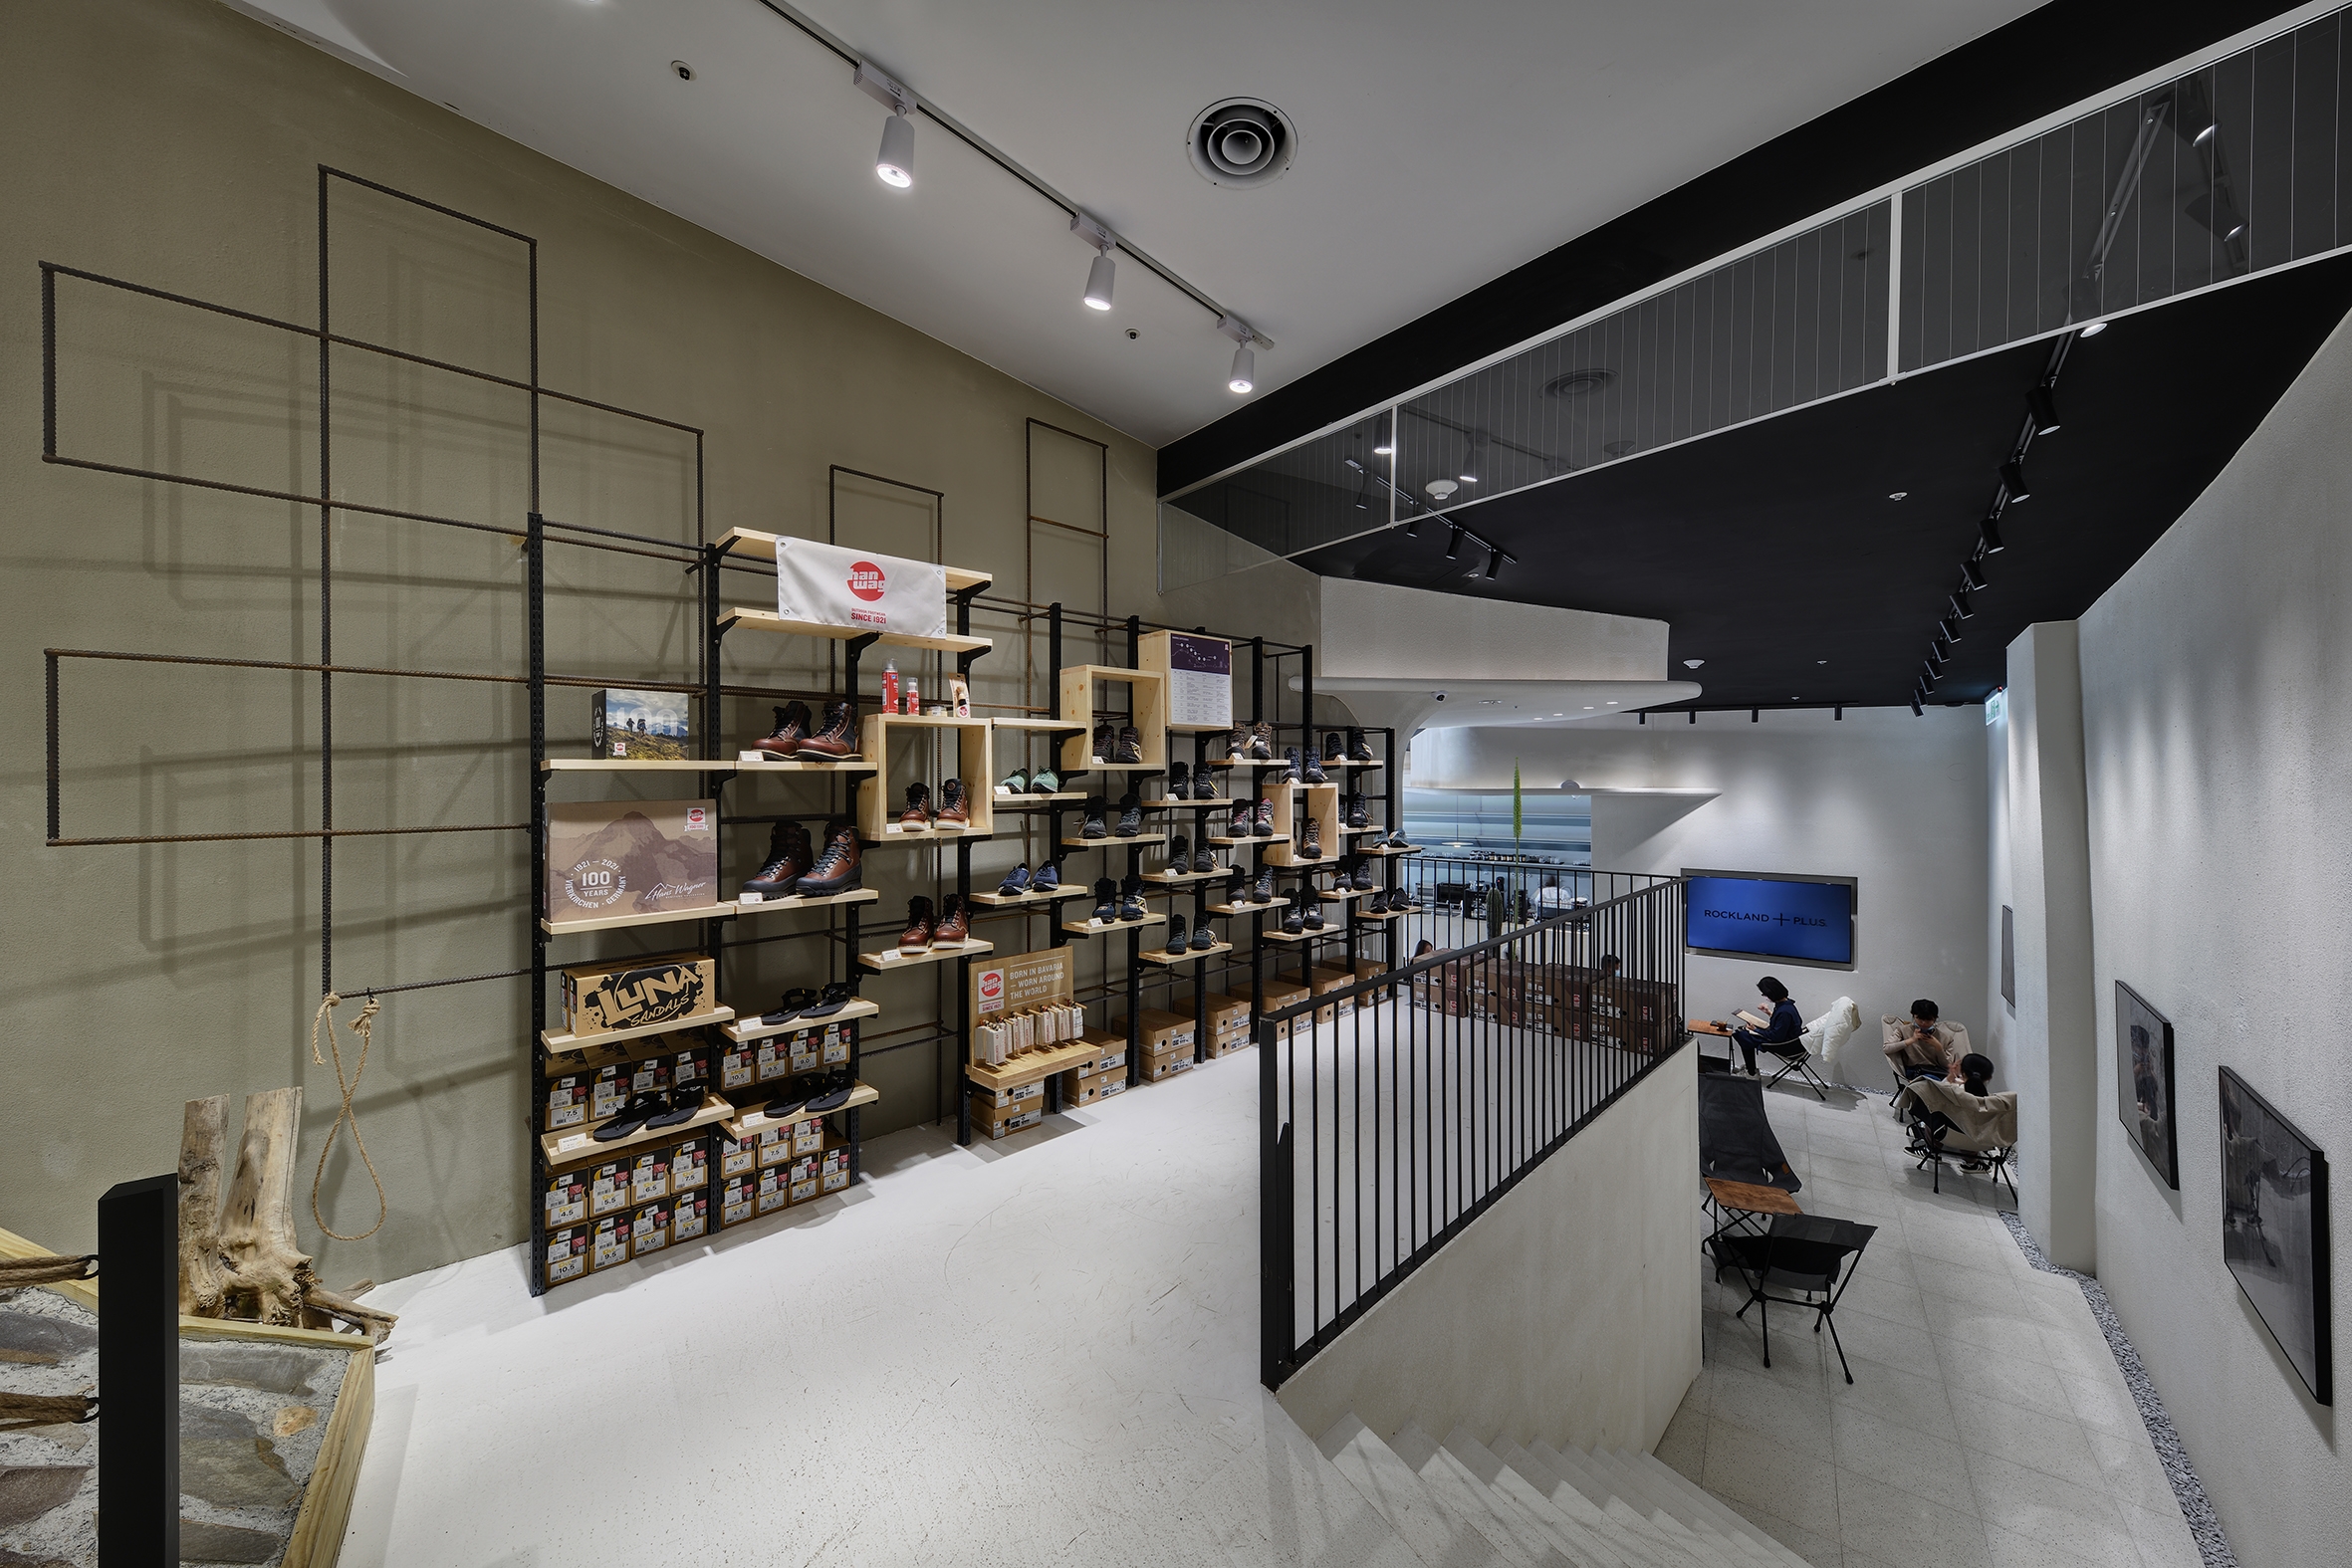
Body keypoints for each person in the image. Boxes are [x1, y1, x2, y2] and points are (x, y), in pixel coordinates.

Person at [1720, 977, 1802, 1077]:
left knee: (1743, 1036)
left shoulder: (1784, 1011)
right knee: (1743, 1030)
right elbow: (1782, 1024)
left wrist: (1755, 1029)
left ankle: (1751, 1073)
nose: (1765, 996)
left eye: (1764, 994)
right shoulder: (1786, 1004)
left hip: (1784, 1045)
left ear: (1772, 993)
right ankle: (1750, 1068)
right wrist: (1768, 1013)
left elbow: (1776, 1037)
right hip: (1787, 1039)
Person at [1883, 999, 1962, 1081]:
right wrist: (1911, 1040)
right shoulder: (1903, 1030)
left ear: (1935, 1018)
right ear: (1913, 1015)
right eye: (1920, 1018)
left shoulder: (1945, 1038)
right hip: (1915, 1071)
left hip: (1937, 1072)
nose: (1923, 1023)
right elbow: (1886, 1048)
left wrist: (1938, 1047)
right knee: (1931, 1081)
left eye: (1928, 1020)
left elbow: (1947, 1065)